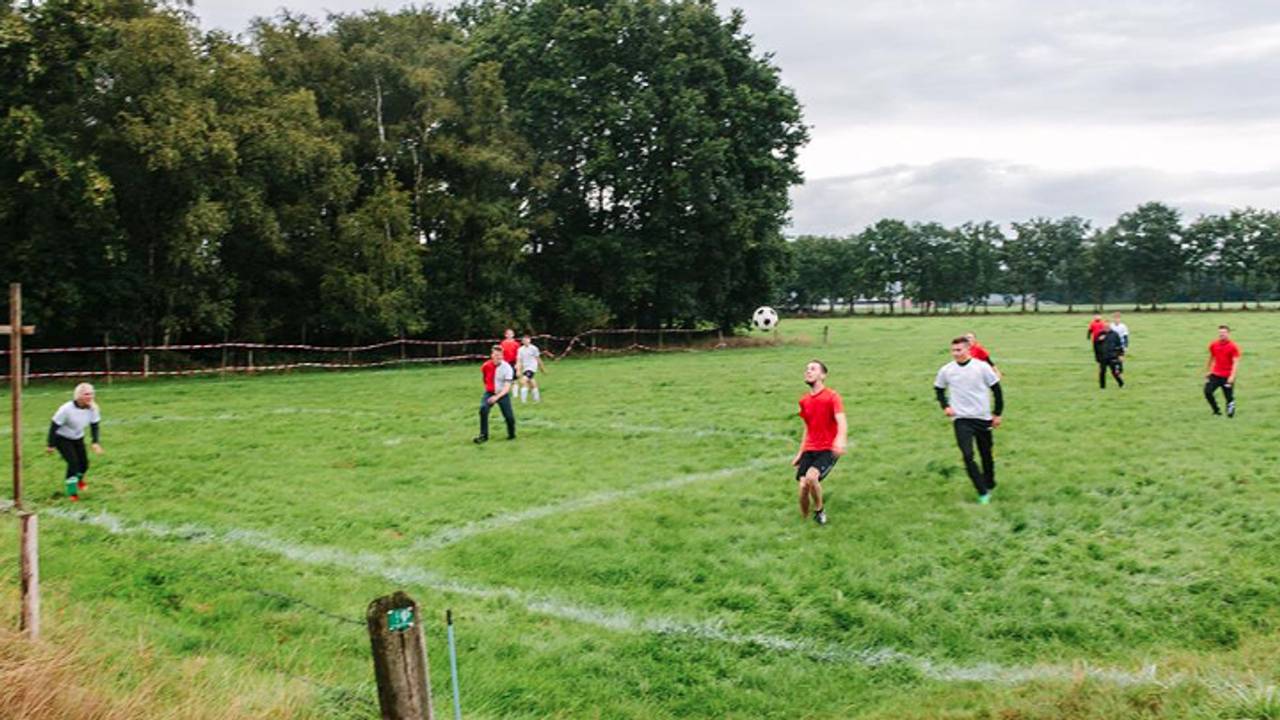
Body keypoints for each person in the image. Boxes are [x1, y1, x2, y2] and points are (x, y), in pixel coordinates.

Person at [934, 337, 1004, 504]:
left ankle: (989, 481)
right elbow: (938, 389)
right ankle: (982, 492)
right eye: (953, 350)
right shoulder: (946, 370)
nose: (956, 353)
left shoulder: (982, 368)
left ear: (968, 350)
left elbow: (997, 390)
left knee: (986, 454)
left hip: (982, 417)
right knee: (967, 455)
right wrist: (945, 406)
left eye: (959, 350)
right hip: (961, 418)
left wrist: (997, 413)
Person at [791, 360, 847, 526]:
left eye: (813, 369)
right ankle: (804, 522)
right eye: (806, 369)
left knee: (811, 477)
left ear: (823, 375)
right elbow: (807, 428)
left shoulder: (832, 396)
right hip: (810, 449)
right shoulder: (804, 401)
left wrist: (840, 439)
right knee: (802, 488)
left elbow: (841, 421)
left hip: (828, 449)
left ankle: (819, 511)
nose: (808, 371)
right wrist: (800, 453)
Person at [45, 382, 104, 501]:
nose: (90, 397)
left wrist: (95, 442)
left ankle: (79, 480)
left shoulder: (93, 408)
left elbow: (94, 425)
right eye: (87, 394)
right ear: (78, 396)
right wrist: (50, 445)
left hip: (78, 437)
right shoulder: (66, 409)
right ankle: (72, 493)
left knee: (84, 464)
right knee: (73, 464)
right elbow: (54, 426)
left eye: (92, 394)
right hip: (62, 438)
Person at [475, 345, 516, 443]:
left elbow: (507, 387)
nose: (498, 357)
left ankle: (511, 435)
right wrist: (490, 391)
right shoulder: (486, 366)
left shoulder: (507, 368)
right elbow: (485, 379)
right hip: (490, 392)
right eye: (496, 355)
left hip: (502, 394)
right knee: (483, 409)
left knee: (509, 417)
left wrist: (497, 396)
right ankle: (483, 435)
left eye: (500, 355)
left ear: (502, 356)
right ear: (492, 355)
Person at [1204, 325, 1241, 418]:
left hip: (1227, 376)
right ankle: (1216, 411)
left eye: (1224, 333)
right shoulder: (1213, 345)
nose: (1222, 335)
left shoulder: (1233, 347)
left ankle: (1230, 414)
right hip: (1215, 374)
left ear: (1228, 334)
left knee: (1228, 397)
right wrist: (1208, 371)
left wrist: (1232, 376)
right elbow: (1211, 358)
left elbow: (1236, 362)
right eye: (1220, 333)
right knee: (1207, 391)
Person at [516, 333, 546, 403]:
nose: (525, 341)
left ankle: (523, 402)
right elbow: (519, 360)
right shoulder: (520, 350)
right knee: (532, 382)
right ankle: (537, 399)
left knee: (523, 381)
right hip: (525, 368)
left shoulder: (534, 348)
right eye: (524, 340)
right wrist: (518, 370)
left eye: (527, 340)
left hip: (532, 368)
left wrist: (542, 368)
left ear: (530, 340)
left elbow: (538, 359)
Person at [1096, 320, 1125, 389]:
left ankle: (1121, 384)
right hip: (1103, 357)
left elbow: (1119, 345)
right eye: (1105, 326)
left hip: (1112, 356)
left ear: (1110, 326)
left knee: (1115, 372)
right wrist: (1099, 340)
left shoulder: (1115, 334)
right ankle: (1102, 387)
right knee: (1102, 372)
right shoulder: (1100, 334)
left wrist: (1121, 355)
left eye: (1108, 326)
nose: (1106, 327)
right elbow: (1096, 346)